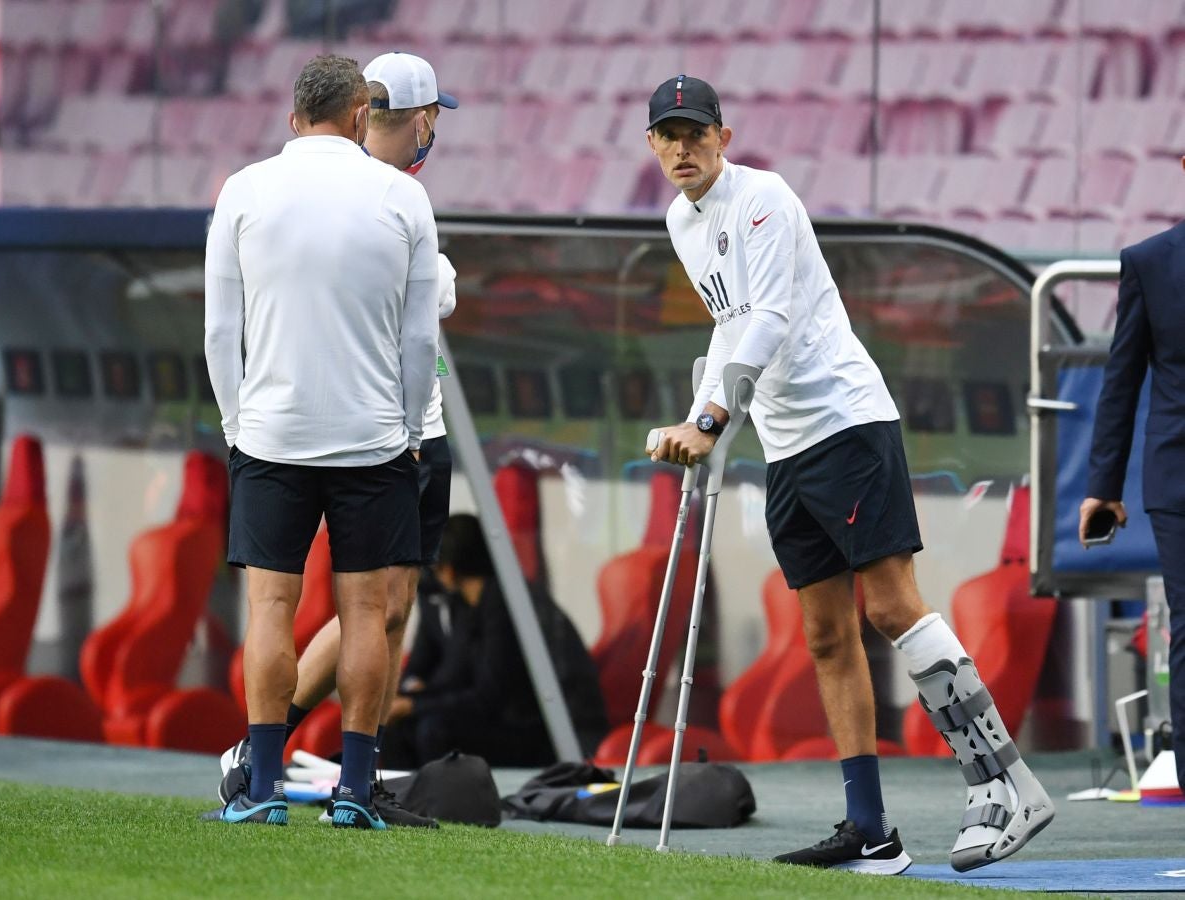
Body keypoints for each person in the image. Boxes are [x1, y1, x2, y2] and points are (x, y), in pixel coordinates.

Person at [641, 74, 1054, 873]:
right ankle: (870, 832)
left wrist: (709, 421)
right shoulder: (679, 220)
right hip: (787, 445)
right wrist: (703, 415)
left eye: (696, 132)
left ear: (725, 137)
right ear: (652, 145)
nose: (683, 146)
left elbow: (769, 316)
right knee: (828, 636)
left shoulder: (765, 199)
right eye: (669, 134)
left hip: (847, 422)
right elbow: (728, 330)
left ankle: (1005, 783)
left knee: (893, 606)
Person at [214, 51, 459, 829]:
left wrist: (235, 426)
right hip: (372, 438)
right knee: (367, 614)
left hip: (273, 434)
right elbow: (422, 340)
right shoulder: (400, 199)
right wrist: (410, 425)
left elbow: (223, 330)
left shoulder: (244, 188)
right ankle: (355, 789)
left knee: (272, 610)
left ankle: (262, 789)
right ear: (361, 115)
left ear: (294, 117)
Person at [1080, 163, 1185, 796]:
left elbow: (1121, 382)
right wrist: (1105, 483)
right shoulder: (1148, 261)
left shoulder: (1153, 259)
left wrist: (1105, 483)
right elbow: (1122, 380)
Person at [379, 514, 607, 770]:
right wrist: (410, 700)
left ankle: (441, 803)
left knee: (434, 729)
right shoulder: (472, 603)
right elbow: (457, 676)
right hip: (502, 717)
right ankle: (399, 800)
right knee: (397, 726)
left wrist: (414, 705)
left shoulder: (503, 603)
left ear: (449, 569)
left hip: (536, 731)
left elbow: (489, 695)